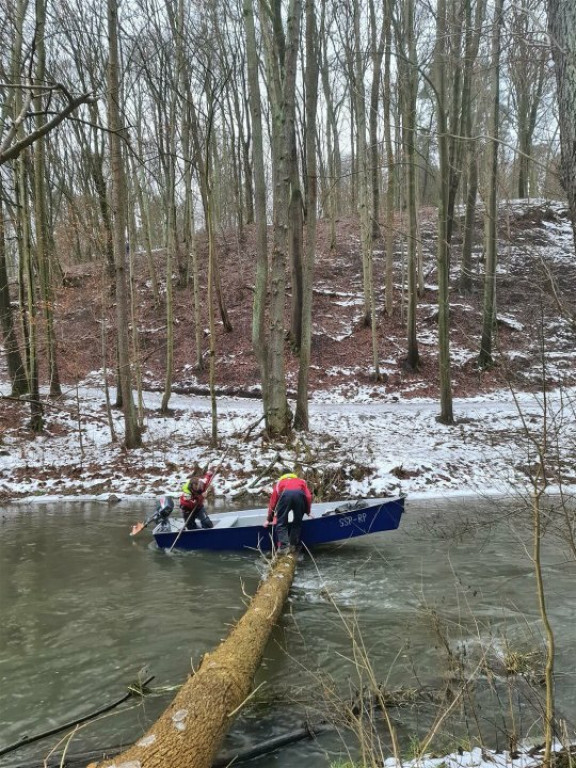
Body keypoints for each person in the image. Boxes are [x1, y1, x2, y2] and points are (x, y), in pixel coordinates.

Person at [266, 471, 312, 552]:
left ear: (283, 476)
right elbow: (308, 496)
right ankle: (293, 545)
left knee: (281, 523)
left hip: (285, 495)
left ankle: (284, 547)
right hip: (299, 495)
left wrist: (269, 519)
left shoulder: (279, 483)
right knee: (297, 522)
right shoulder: (301, 481)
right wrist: (307, 511)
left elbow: (273, 503)